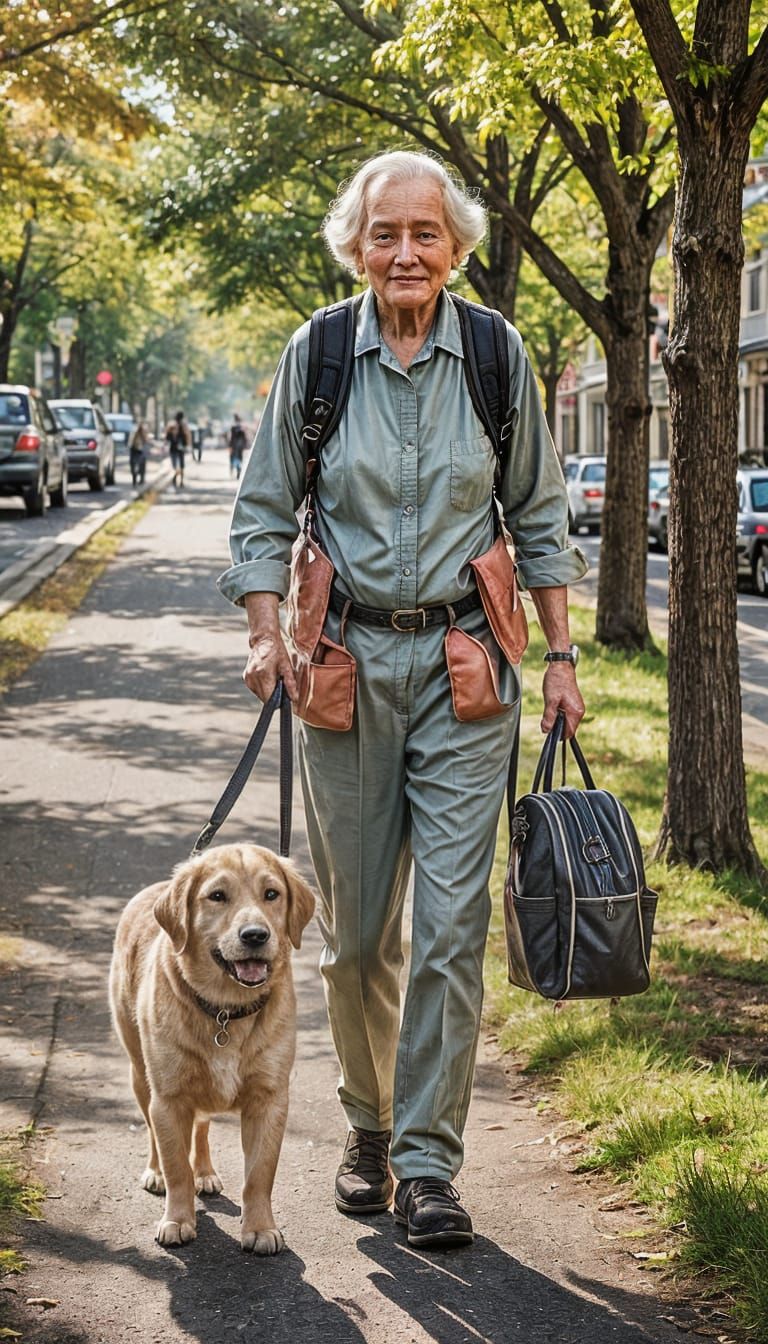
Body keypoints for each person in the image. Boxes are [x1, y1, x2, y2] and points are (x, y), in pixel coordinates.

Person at [218, 151, 588, 1250]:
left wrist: (561, 657)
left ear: (456, 246)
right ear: (357, 245)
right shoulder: (320, 353)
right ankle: (368, 1126)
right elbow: (261, 510)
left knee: (449, 929)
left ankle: (429, 1164)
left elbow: (542, 511)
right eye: (386, 234)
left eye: (425, 233)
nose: (406, 254)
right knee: (358, 935)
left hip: (467, 669)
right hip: (342, 668)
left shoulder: (497, 354)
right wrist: (261, 635)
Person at [165, 410, 190, 487]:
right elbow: (187, 436)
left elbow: (167, 437)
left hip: (174, 448)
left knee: (175, 465)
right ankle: (179, 480)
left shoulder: (172, 425)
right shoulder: (182, 426)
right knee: (181, 466)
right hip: (179, 448)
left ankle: (176, 479)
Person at [128, 421, 150, 487]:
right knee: (135, 464)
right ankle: (136, 478)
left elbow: (146, 441)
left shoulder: (142, 433)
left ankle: (140, 478)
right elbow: (131, 442)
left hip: (139, 451)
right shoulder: (134, 432)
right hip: (135, 450)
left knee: (141, 465)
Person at [227, 414, 247, 479]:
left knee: (232, 459)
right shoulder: (241, 428)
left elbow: (231, 438)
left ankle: (232, 471)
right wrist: (244, 446)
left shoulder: (232, 427)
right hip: (240, 447)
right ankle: (238, 471)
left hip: (233, 446)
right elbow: (244, 438)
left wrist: (230, 446)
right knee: (239, 459)